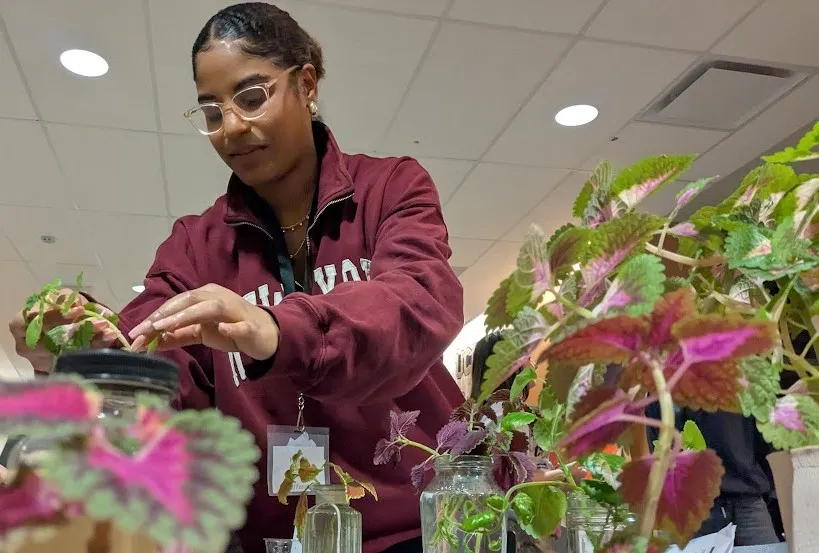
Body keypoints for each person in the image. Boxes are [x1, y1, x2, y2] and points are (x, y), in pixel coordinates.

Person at [6, 3, 464, 552]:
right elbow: (153, 365)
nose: (231, 128)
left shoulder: (391, 188)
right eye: (212, 111)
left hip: (412, 528)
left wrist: (274, 328)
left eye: (252, 97)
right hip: (273, 539)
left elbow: (417, 304)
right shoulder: (194, 246)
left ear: (307, 84)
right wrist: (80, 350)